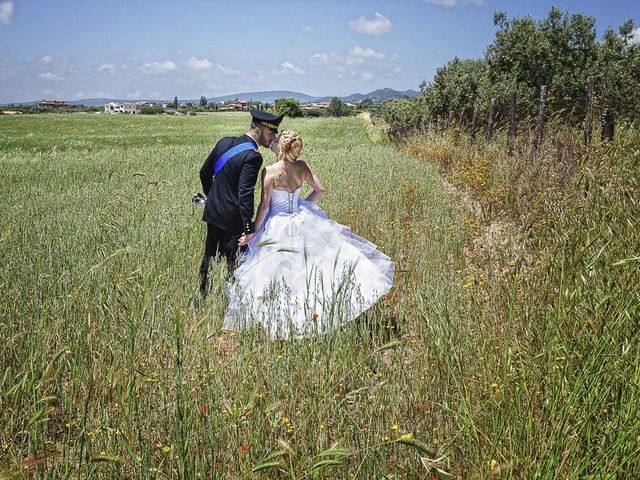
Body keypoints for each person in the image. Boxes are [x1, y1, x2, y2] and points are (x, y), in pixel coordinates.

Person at [224, 131, 394, 339]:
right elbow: (320, 190)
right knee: (311, 270)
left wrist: (252, 232)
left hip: (276, 225)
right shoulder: (302, 167)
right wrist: (303, 205)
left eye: (277, 142)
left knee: (278, 273)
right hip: (302, 219)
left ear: (280, 148)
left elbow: (264, 205)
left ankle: (284, 320)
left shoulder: (269, 172)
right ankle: (315, 315)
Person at [198, 109, 284, 295]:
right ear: (258, 130)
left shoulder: (224, 142)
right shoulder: (253, 156)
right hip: (233, 219)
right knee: (233, 262)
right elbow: (245, 193)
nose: (272, 138)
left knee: (209, 255)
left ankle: (202, 295)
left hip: (213, 212)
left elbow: (204, 173)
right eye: (270, 133)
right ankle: (231, 300)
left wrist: (212, 199)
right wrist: (248, 227)